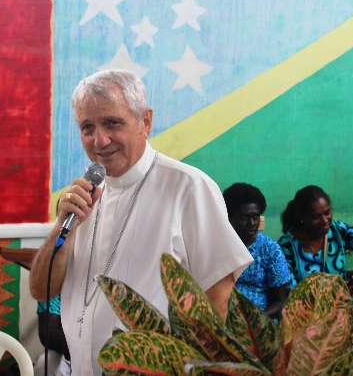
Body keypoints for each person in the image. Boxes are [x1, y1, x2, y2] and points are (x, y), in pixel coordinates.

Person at [29, 69, 253, 376]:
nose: (100, 139)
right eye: (87, 127)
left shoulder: (188, 187)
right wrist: (62, 228)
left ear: (145, 122)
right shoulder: (82, 197)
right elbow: (41, 291)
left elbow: (217, 295)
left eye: (112, 123)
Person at [277, 185, 353, 296]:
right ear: (300, 217)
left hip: (341, 311)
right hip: (307, 314)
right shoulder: (287, 246)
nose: (324, 220)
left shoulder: (339, 230)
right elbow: (291, 294)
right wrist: (334, 295)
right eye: (315, 217)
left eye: (327, 213)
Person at [223, 183, 291, 319]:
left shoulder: (270, 249)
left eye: (256, 217)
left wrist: (257, 320)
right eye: (244, 217)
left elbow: (280, 300)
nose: (252, 223)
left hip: (261, 326)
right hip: (221, 321)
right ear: (229, 217)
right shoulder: (217, 246)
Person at [34, 295, 72, 376]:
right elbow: (47, 332)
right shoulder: (54, 285)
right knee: (44, 365)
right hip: (69, 352)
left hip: (102, 349)